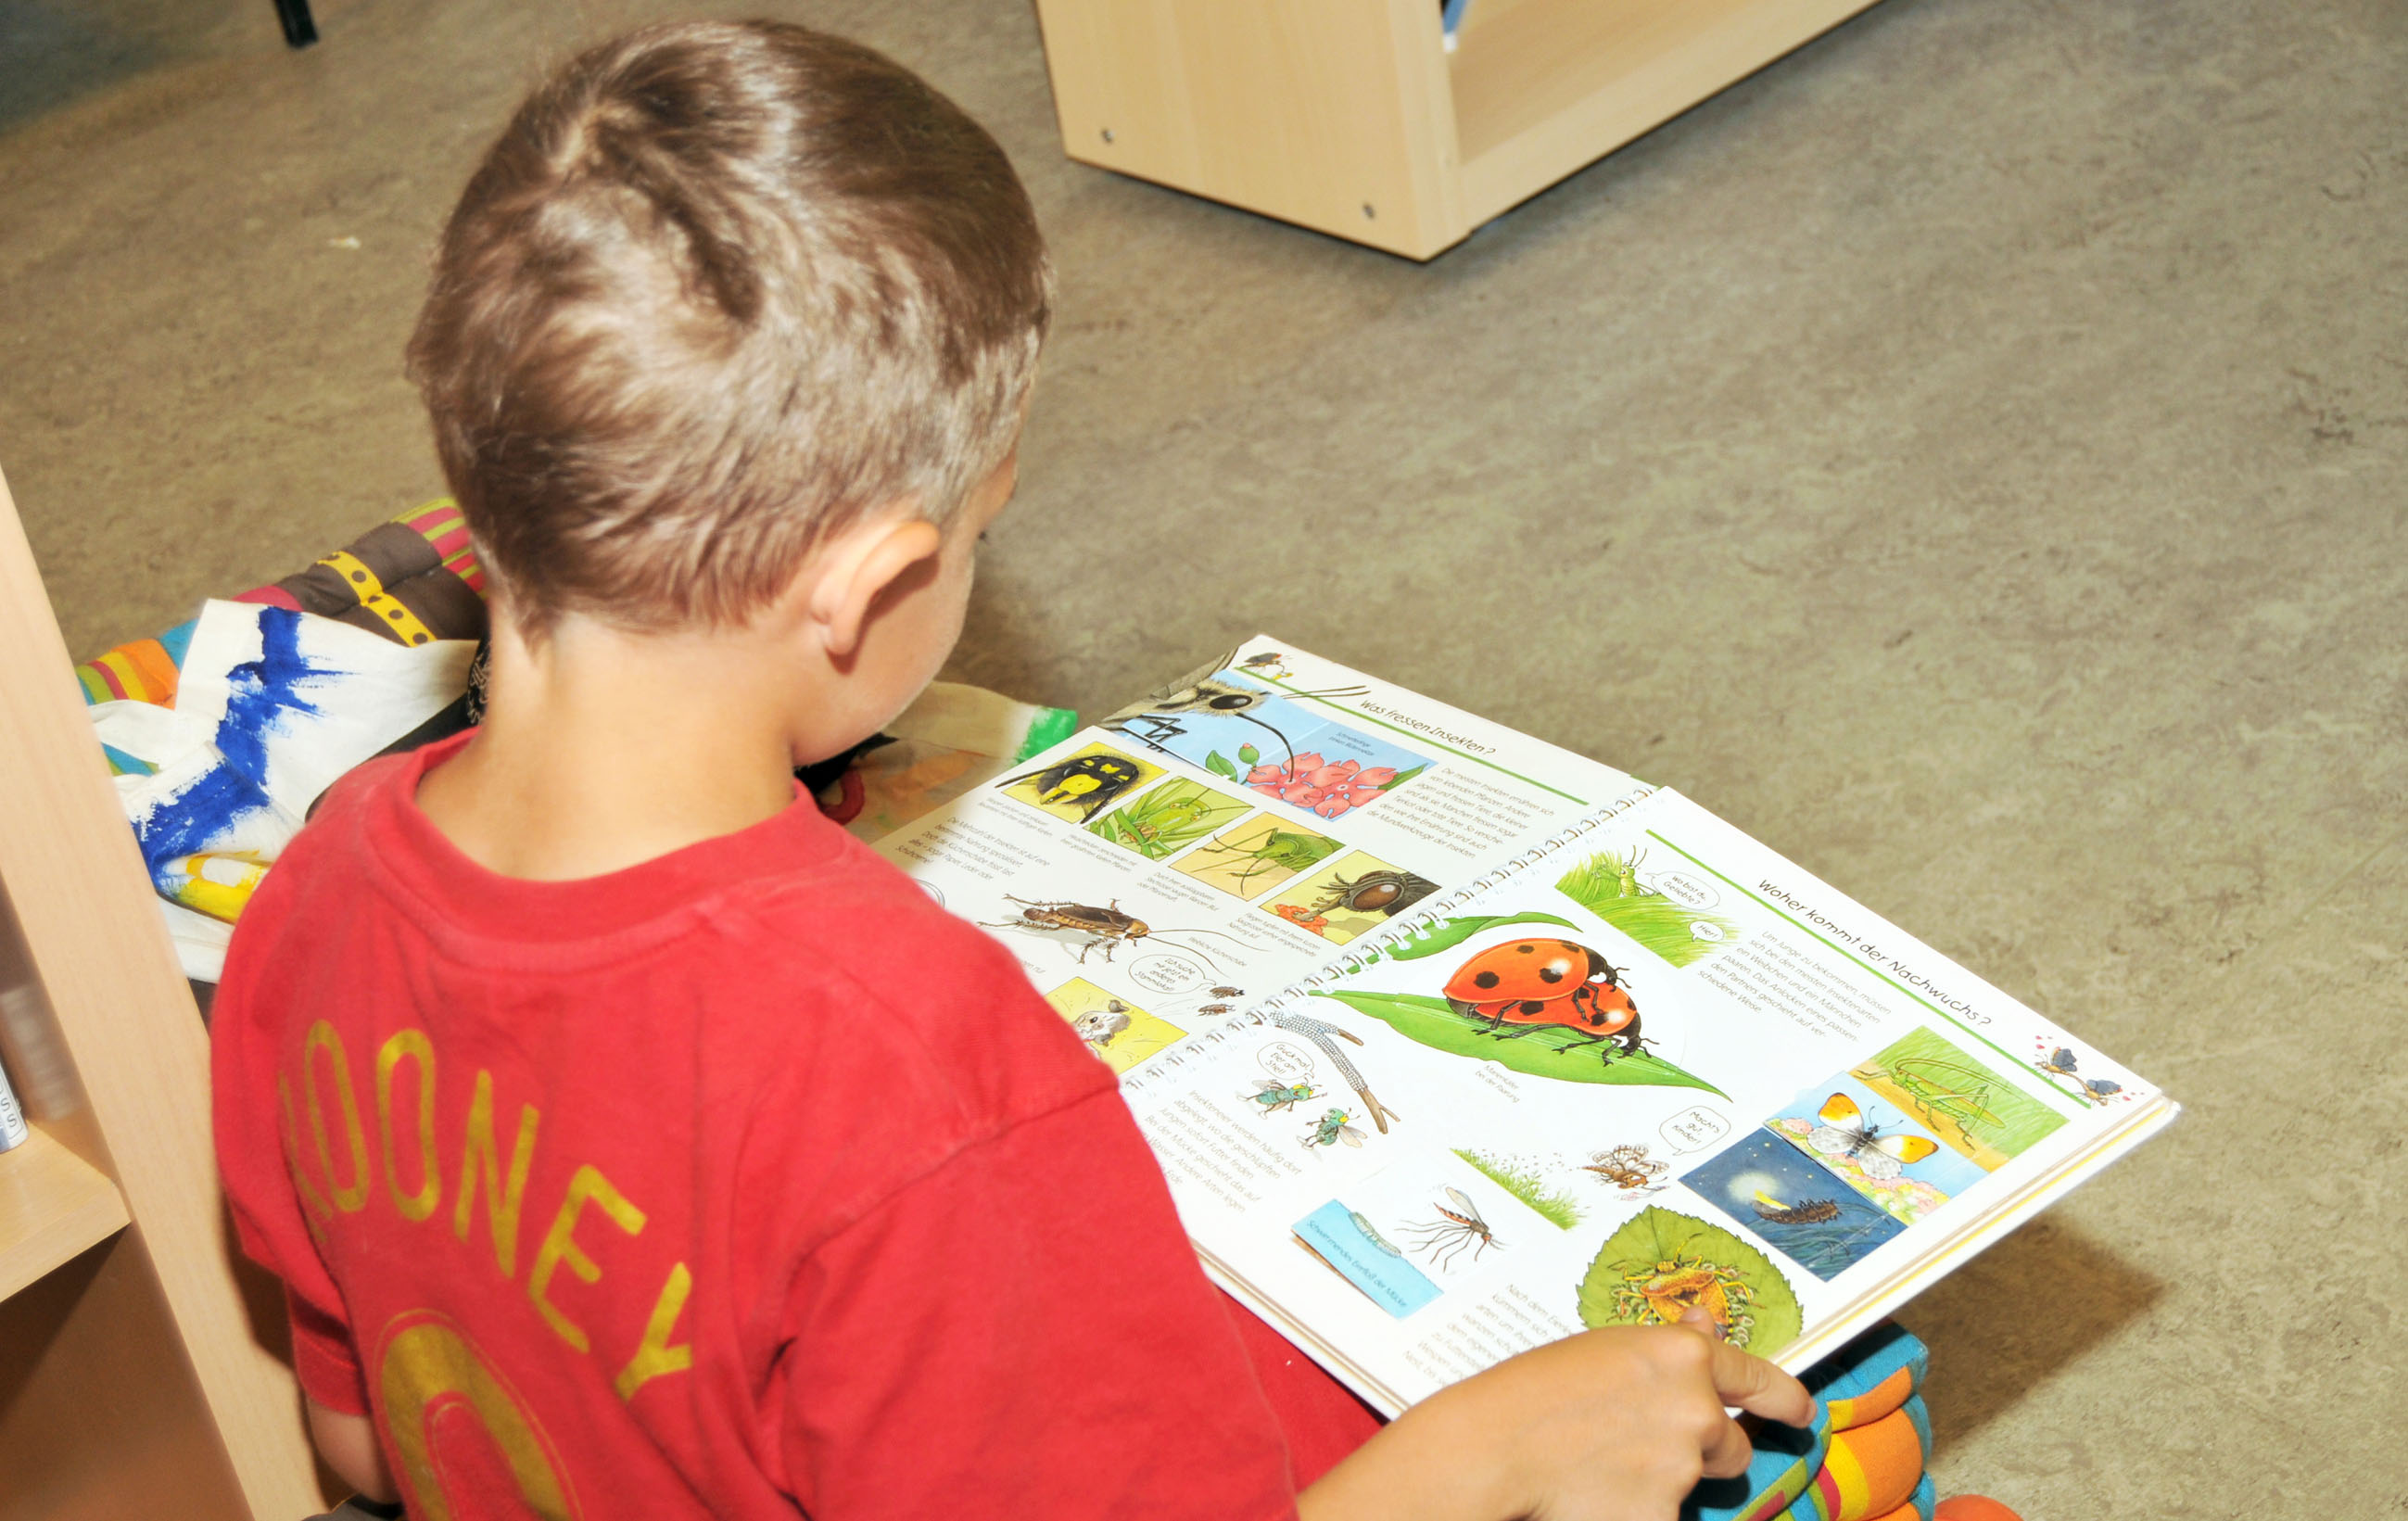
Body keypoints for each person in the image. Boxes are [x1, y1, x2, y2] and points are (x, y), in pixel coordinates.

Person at [210, 20, 1812, 1520]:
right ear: (870, 585)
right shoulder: (910, 1069)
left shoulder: (324, 878)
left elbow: (367, 1439)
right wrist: (1498, 1447)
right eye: (982, 531)